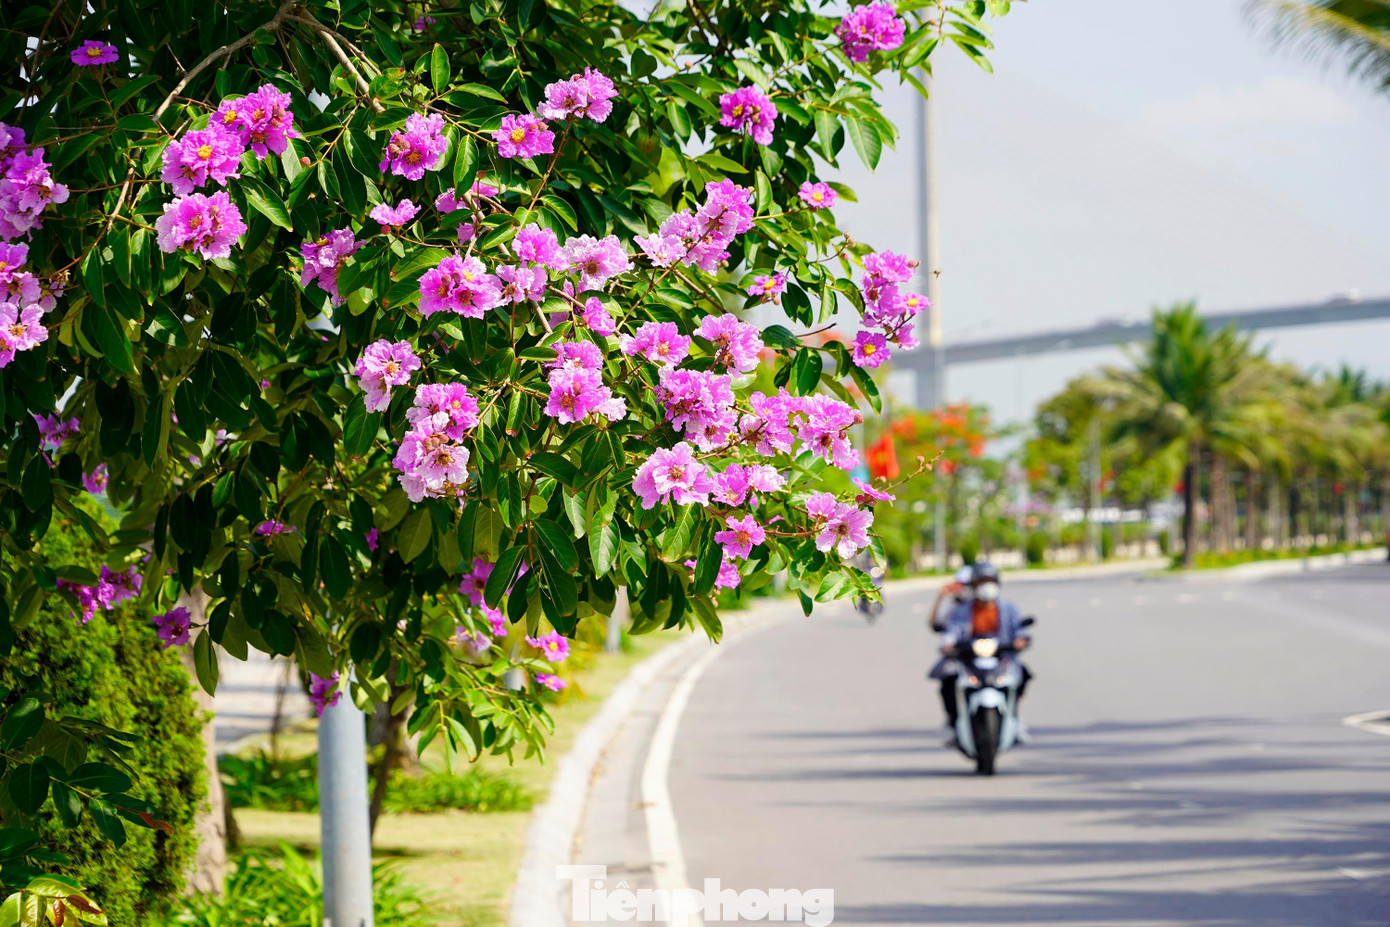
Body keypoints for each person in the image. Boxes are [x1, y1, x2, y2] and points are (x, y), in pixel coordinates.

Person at [929, 562, 1032, 744]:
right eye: (982, 581)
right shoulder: (962, 611)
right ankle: (953, 723)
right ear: (974, 585)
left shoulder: (1008, 609)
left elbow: (1020, 632)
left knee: (1023, 675)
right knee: (947, 680)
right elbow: (950, 632)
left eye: (990, 581)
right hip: (969, 658)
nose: (986, 586)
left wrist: (1020, 641)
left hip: (1000, 658)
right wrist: (949, 645)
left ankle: (1014, 717)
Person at [928, 565, 974, 632]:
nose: (964, 588)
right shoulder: (952, 602)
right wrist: (940, 597)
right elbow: (935, 624)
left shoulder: (980, 604)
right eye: (960, 584)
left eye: (967, 584)